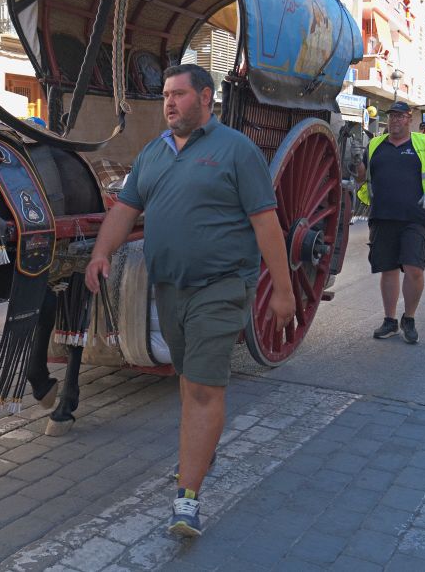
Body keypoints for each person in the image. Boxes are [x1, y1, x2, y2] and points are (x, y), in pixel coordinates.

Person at [84, 64, 293, 538]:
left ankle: (187, 497)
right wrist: (101, 253)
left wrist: (283, 291)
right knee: (188, 377)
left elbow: (266, 224)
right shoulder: (153, 153)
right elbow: (125, 209)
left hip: (221, 286)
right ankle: (202, 446)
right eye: (165, 95)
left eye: (178, 94)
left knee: (201, 388)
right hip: (169, 288)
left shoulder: (236, 150)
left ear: (205, 98)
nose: (169, 103)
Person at [355, 102, 425, 345]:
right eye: (392, 116)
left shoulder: (423, 143)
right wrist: (354, 160)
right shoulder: (375, 145)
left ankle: (409, 318)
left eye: (400, 116)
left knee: (413, 269)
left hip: (415, 217)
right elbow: (361, 174)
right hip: (382, 216)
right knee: (387, 269)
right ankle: (390, 321)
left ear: (409, 119)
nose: (395, 120)